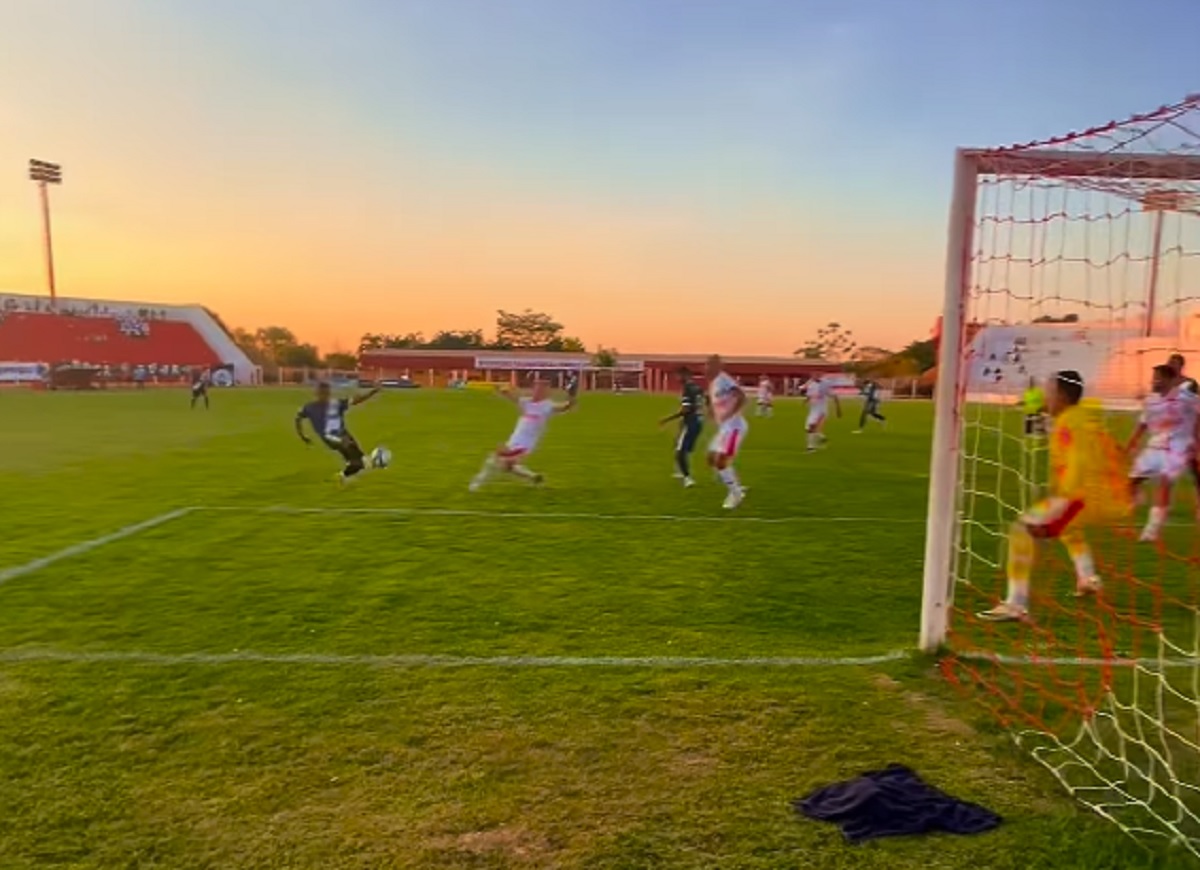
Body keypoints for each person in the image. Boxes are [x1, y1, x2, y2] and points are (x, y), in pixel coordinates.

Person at [978, 371, 1131, 622]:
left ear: (1060, 396)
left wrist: (1063, 508)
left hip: (1080, 497)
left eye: (1049, 392)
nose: (1045, 397)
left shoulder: (1069, 423)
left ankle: (1015, 603)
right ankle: (1088, 578)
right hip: (1095, 498)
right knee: (1071, 533)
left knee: (1021, 531)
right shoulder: (1078, 418)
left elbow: (1079, 464)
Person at [1125, 364, 1198, 541]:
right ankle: (1137, 499)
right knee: (1130, 482)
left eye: (1158, 378)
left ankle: (1151, 529)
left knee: (1166, 483)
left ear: (1170, 380)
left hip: (1177, 448)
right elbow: (1143, 423)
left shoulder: (1186, 398)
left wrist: (1196, 441)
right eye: (1153, 378)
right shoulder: (1152, 401)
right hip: (1155, 447)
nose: (1153, 381)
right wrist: (1131, 444)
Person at [470, 378, 575, 491]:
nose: (536, 391)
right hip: (514, 439)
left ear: (545, 392)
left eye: (540, 388)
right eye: (535, 388)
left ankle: (477, 483)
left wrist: (570, 399)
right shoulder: (527, 401)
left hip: (525, 444)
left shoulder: (548, 405)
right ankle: (533, 477)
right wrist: (503, 391)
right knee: (507, 466)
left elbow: (564, 407)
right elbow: (512, 397)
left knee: (495, 460)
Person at [295, 381, 382, 484]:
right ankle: (341, 477)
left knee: (359, 461)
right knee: (358, 461)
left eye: (325, 392)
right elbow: (298, 419)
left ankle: (342, 478)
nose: (323, 395)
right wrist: (302, 435)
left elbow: (356, 400)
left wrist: (372, 392)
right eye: (321, 392)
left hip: (344, 435)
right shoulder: (310, 407)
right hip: (333, 438)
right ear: (318, 393)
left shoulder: (333, 404)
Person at [704, 355, 748, 509]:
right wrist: (711, 411)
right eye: (706, 364)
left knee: (721, 462)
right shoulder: (714, 383)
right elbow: (715, 402)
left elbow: (742, 397)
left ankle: (735, 494)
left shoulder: (724, 379)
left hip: (734, 427)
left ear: (718, 366)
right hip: (725, 428)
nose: (706, 367)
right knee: (711, 458)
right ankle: (736, 486)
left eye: (709, 365)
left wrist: (731, 414)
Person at [659, 367, 704, 487]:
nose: (677, 379)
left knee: (680, 451)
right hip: (698, 422)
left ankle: (687, 478)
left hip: (691, 422)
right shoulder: (698, 388)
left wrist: (667, 419)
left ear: (684, 375)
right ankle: (680, 472)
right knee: (682, 447)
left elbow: (686, 409)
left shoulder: (687, 389)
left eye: (678, 376)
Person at [803, 375, 841, 452]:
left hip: (821, 411)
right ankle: (821, 438)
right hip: (813, 410)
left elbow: (834, 397)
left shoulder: (824, 387)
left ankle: (810, 447)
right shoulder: (811, 386)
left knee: (811, 426)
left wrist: (838, 409)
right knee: (809, 428)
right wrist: (806, 401)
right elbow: (809, 395)